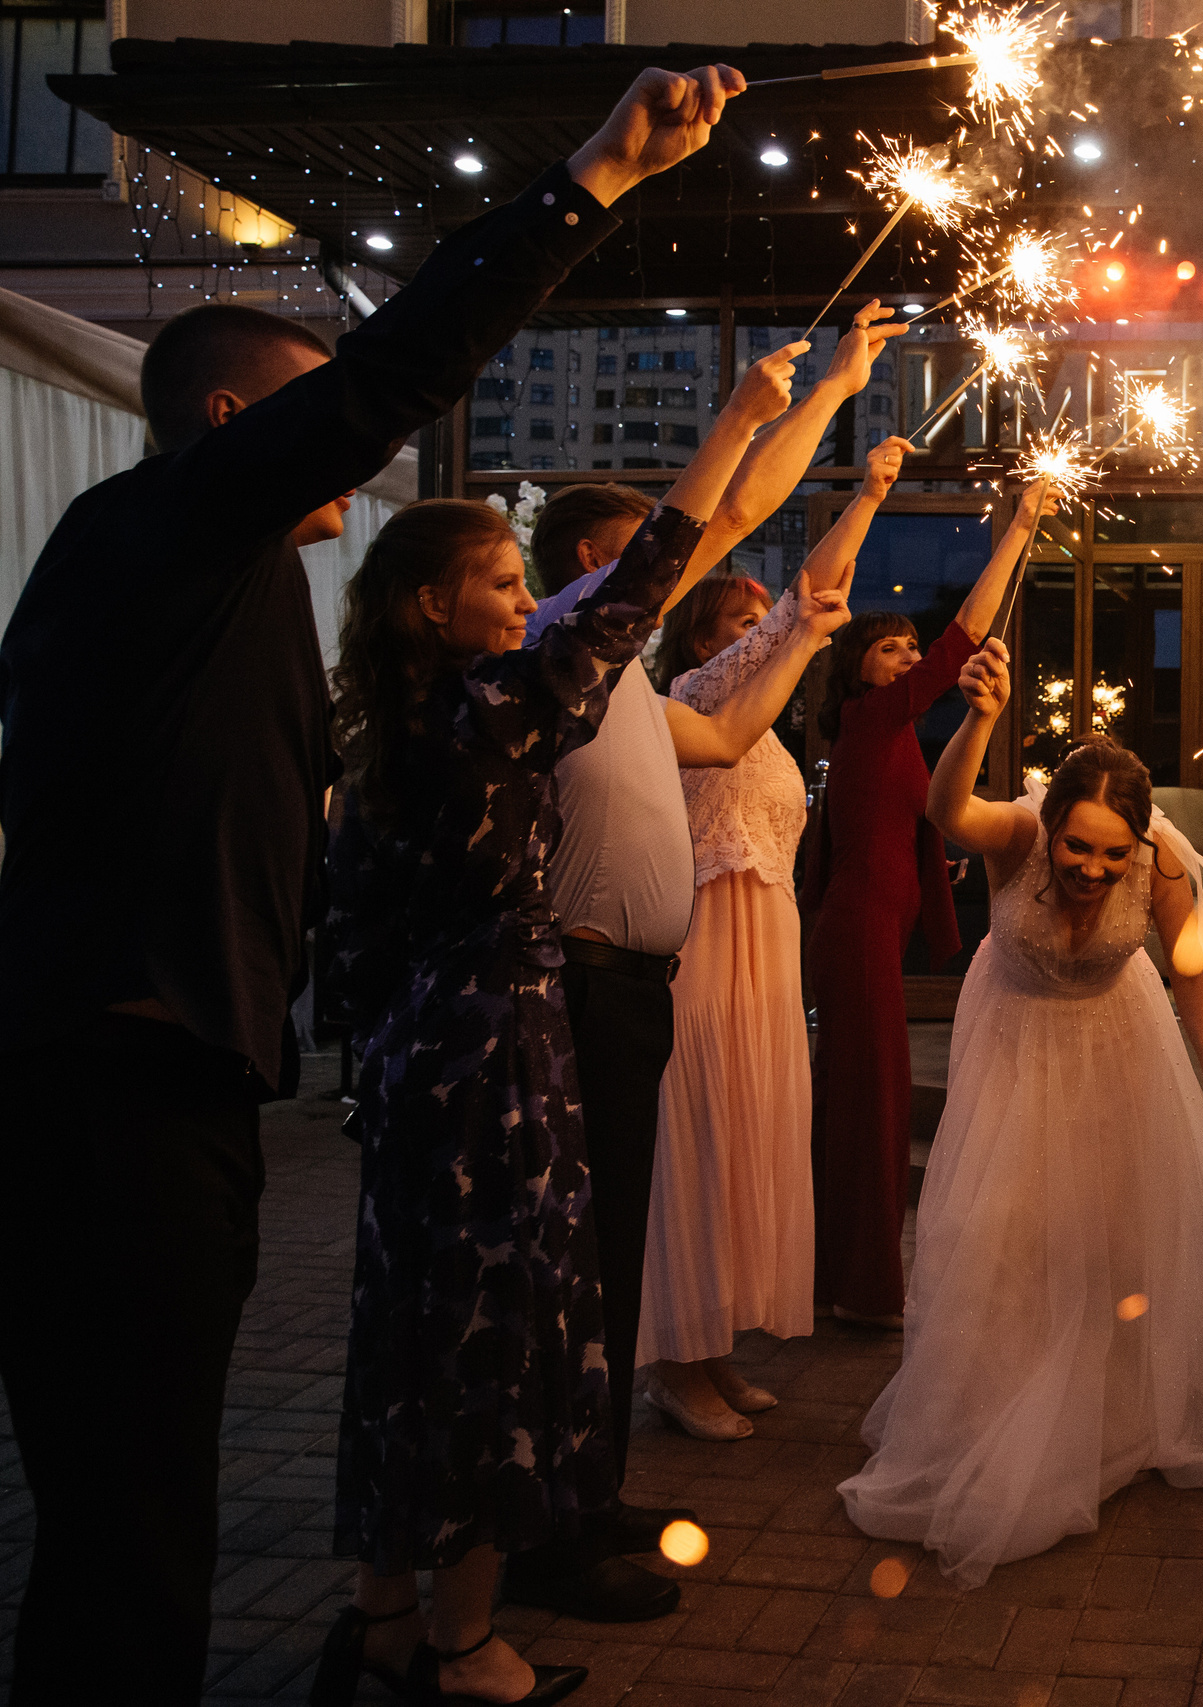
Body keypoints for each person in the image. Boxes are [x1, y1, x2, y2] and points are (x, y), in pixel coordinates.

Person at [0, 62, 736, 1704]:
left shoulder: (173, 574)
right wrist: (592, 183)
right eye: (318, 410)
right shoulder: (172, 534)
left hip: (148, 1080)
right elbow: (395, 376)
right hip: (119, 1098)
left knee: (135, 1513)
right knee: (135, 1522)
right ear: (232, 428)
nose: (363, 442)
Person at [315, 325, 797, 1706]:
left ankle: (387, 1619)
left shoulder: (380, 743)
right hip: (501, 1056)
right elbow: (642, 583)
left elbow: (343, 950)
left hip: (410, 1062)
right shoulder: (495, 718)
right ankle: (470, 1645)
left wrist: (379, 1067)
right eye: (506, 581)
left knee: (404, 1335)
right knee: (503, 1332)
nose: (531, 604)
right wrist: (740, 419)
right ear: (430, 605)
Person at [501, 311, 909, 1622]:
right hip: (569, 983)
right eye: (647, 557)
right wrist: (758, 413)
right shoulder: (561, 648)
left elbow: (731, 722)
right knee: (579, 1255)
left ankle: (592, 1478)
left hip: (628, 988)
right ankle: (553, 1514)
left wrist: (833, 410)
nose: (680, 567)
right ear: (585, 570)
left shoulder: (625, 685)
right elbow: (718, 522)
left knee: (611, 1249)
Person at [839, 647, 1203, 1586]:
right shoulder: (1013, 833)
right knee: (996, 1228)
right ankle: (990, 1404)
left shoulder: (1163, 866)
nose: (1092, 868)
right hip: (1014, 1044)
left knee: (1111, 1231)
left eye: (1111, 852)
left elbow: (1194, 987)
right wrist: (978, 719)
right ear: (1050, 827)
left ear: (1140, 843)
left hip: (1113, 1050)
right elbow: (944, 811)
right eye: (1076, 846)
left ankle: (1117, 1409)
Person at [805, 480, 1054, 1328]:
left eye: (912, 647)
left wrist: (928, 865)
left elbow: (879, 828)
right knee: (869, 1108)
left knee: (859, 1102)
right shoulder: (873, 718)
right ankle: (866, 1290)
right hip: (860, 933)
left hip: (869, 925)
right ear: (860, 670)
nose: (912, 658)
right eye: (891, 649)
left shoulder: (891, 736)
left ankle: (839, 1277)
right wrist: (1018, 526)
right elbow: (969, 635)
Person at [633, 548, 866, 1440]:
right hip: (705, 950)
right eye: (745, 621)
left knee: (743, 1140)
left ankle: (712, 1342)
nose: (760, 634)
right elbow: (780, 634)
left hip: (764, 953)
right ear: (705, 637)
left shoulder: (762, 731)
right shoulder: (695, 695)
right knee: (695, 1140)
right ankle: (673, 1365)